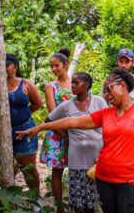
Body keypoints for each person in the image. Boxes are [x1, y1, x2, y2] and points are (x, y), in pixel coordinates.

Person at [17, 68, 134, 213]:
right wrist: (40, 127)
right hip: (104, 179)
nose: (106, 95)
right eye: (105, 91)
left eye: (109, 90)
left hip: (130, 181)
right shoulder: (106, 114)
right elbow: (72, 121)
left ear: (123, 86)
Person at [46, 73, 107, 213]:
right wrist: (65, 136)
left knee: (102, 199)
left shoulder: (99, 102)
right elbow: (49, 121)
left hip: (98, 159)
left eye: (76, 83)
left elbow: (108, 123)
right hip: (77, 159)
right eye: (72, 82)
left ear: (86, 85)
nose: (72, 86)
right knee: (80, 203)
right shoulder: (66, 106)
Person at [0, 54, 42, 202]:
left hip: (25, 132)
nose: (3, 68)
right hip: (1, 134)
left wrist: (23, 117)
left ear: (15, 67)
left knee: (29, 169)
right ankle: (7, 200)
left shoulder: (26, 84)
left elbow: (38, 104)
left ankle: (36, 200)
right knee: (3, 169)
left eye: (6, 65)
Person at [39, 48, 72, 212]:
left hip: (75, 133)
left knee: (77, 170)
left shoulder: (76, 83)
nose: (54, 69)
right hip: (58, 134)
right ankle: (59, 207)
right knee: (57, 171)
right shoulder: (50, 86)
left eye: (57, 65)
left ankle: (76, 203)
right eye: (52, 66)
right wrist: (64, 135)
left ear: (65, 64)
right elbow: (53, 113)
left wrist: (73, 135)